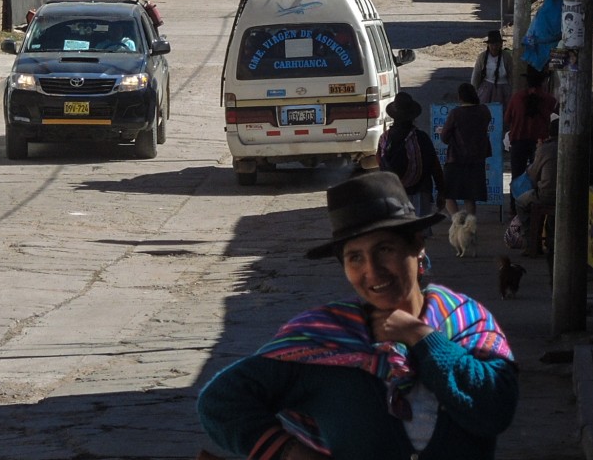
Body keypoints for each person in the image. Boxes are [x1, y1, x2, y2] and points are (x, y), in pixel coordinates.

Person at [197, 172, 519, 460]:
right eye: (355, 257)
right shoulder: (324, 339)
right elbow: (221, 401)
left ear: (417, 245)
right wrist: (288, 453)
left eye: (385, 250)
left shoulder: (466, 322)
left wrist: (422, 338)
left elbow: (495, 410)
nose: (372, 271)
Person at [379, 92, 444, 224]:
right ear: (413, 117)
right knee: (419, 233)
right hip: (421, 191)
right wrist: (441, 191)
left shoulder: (385, 139)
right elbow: (435, 166)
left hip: (394, 193)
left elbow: (381, 165)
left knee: (400, 235)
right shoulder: (421, 138)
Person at [503, 68, 557, 216]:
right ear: (543, 82)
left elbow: (507, 119)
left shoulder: (516, 98)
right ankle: (534, 210)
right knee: (538, 177)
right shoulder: (550, 100)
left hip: (518, 141)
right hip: (539, 144)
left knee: (517, 176)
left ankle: (514, 208)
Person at [438, 83, 492, 217]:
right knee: (470, 196)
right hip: (477, 160)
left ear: (460, 97)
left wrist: (442, 132)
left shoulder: (456, 113)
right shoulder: (484, 110)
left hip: (456, 159)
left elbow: (445, 137)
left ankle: (457, 221)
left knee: (447, 193)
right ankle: (471, 226)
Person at [516, 118, 559, 257]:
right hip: (572, 194)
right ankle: (549, 241)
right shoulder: (577, 146)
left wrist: (539, 151)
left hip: (547, 195)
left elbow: (533, 175)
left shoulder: (545, 149)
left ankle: (531, 242)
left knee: (521, 202)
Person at [471, 30, 512, 107]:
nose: (494, 47)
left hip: (503, 90)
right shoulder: (482, 57)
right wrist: (474, 92)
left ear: (501, 45)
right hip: (486, 89)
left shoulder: (506, 57)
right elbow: (476, 75)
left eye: (497, 44)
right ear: (488, 45)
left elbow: (511, 75)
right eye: (492, 44)